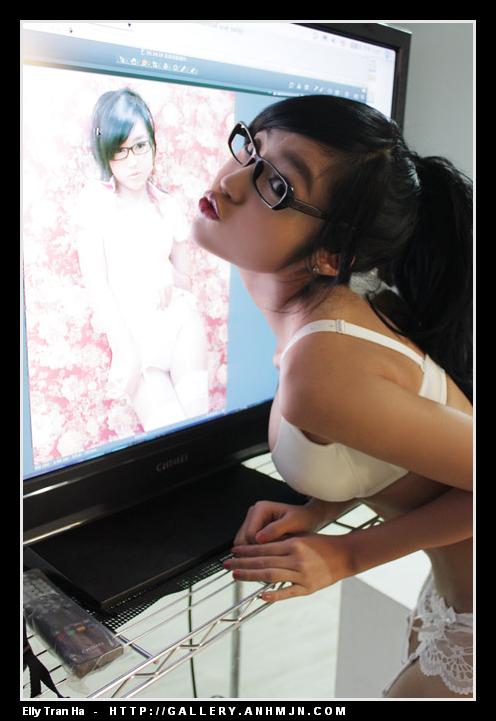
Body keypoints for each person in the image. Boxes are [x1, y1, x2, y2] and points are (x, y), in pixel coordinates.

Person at [192, 95, 473, 699]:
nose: (231, 182)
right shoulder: (340, 318)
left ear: (329, 254)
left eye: (276, 185)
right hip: (454, 595)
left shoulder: (321, 367)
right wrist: (320, 508)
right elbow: (390, 451)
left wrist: (348, 556)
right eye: (251, 147)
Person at [75, 88, 209, 432]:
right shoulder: (95, 204)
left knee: (198, 430)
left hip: (180, 326)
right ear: (105, 154)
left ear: (153, 145)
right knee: (170, 435)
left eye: (139, 146)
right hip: (134, 340)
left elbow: (185, 281)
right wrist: (127, 352)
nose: (133, 161)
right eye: (120, 151)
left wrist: (166, 274)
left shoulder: (167, 206)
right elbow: (97, 287)